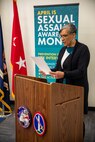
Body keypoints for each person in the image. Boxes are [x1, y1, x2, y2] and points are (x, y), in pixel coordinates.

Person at [40, 23, 90, 115]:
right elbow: (58, 68)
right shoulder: (62, 50)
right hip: (61, 89)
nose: (62, 39)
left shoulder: (83, 49)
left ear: (73, 35)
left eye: (65, 36)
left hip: (76, 90)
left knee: (75, 117)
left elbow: (81, 71)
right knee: (63, 116)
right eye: (61, 36)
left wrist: (64, 74)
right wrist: (48, 71)